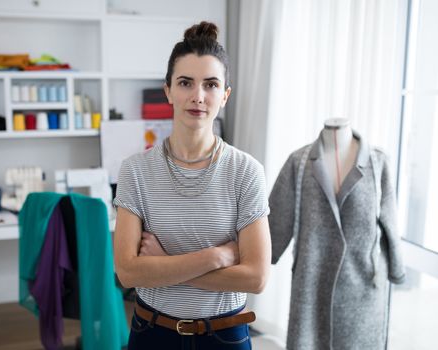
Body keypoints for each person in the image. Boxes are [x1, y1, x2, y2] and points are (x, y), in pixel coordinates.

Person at [113, 21, 272, 349]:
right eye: (185, 82)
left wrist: (160, 263)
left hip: (226, 336)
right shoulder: (135, 171)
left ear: (225, 95)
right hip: (153, 333)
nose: (198, 96)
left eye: (211, 84)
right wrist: (216, 256)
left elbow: (256, 277)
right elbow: (128, 273)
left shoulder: (246, 172)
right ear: (168, 90)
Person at [268, 119, 405, 350]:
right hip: (312, 282)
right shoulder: (298, 163)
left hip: (363, 286)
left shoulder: (378, 162)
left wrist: (396, 270)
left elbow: (390, 220)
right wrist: (261, 257)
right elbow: (277, 218)